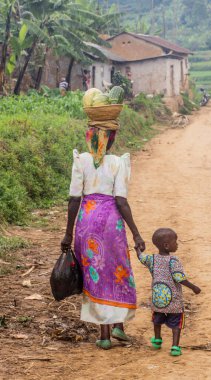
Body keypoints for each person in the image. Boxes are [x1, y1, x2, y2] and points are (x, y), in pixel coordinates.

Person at [61, 121, 145, 350]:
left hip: (87, 224)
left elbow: (74, 199)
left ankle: (105, 335)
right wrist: (136, 234)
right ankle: (119, 326)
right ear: (112, 140)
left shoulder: (81, 161)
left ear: (89, 138)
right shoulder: (119, 163)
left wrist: (68, 234)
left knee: (96, 273)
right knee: (117, 270)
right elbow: (121, 201)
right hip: (111, 223)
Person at [136, 228, 201, 356]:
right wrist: (193, 287)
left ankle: (157, 340)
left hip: (158, 300)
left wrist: (138, 249)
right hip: (174, 301)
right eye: (175, 242)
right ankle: (175, 347)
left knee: (157, 320)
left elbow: (141, 258)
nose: (177, 244)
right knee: (176, 323)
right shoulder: (173, 261)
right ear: (166, 245)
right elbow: (179, 278)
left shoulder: (152, 259)